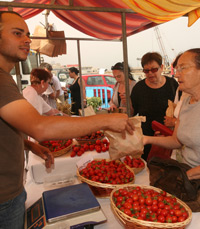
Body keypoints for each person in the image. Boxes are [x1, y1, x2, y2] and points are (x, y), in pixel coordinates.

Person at [0, 11, 134, 229]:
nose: (27, 39)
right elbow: (40, 126)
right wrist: (105, 121)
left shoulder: (5, 80)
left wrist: (28, 144)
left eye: (26, 34)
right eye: (17, 33)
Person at [143, 48, 200, 180]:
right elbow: (176, 141)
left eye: (183, 68)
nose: (176, 74)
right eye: (177, 69)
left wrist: (183, 177)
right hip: (185, 172)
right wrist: (145, 139)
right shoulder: (186, 101)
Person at [131, 52, 178, 160]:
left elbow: (179, 109)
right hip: (146, 138)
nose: (150, 73)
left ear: (161, 67)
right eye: (146, 71)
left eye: (154, 69)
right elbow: (133, 112)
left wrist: (173, 123)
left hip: (168, 138)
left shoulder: (172, 84)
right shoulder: (139, 88)